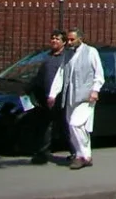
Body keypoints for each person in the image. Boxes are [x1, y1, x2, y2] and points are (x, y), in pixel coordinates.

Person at [49, 27, 105, 170]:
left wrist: (95, 90)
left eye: (72, 39)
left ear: (80, 39)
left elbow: (99, 74)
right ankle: (86, 155)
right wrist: (53, 94)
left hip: (86, 96)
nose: (69, 42)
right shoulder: (67, 54)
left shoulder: (91, 52)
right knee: (75, 127)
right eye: (68, 39)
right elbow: (60, 75)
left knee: (76, 124)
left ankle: (82, 156)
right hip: (71, 97)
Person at [30, 30, 68, 164]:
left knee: (66, 126)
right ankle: (42, 154)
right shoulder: (47, 57)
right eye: (52, 38)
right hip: (46, 97)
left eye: (57, 39)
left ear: (64, 42)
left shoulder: (66, 57)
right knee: (45, 126)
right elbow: (39, 76)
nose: (54, 41)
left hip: (61, 97)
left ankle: (75, 153)